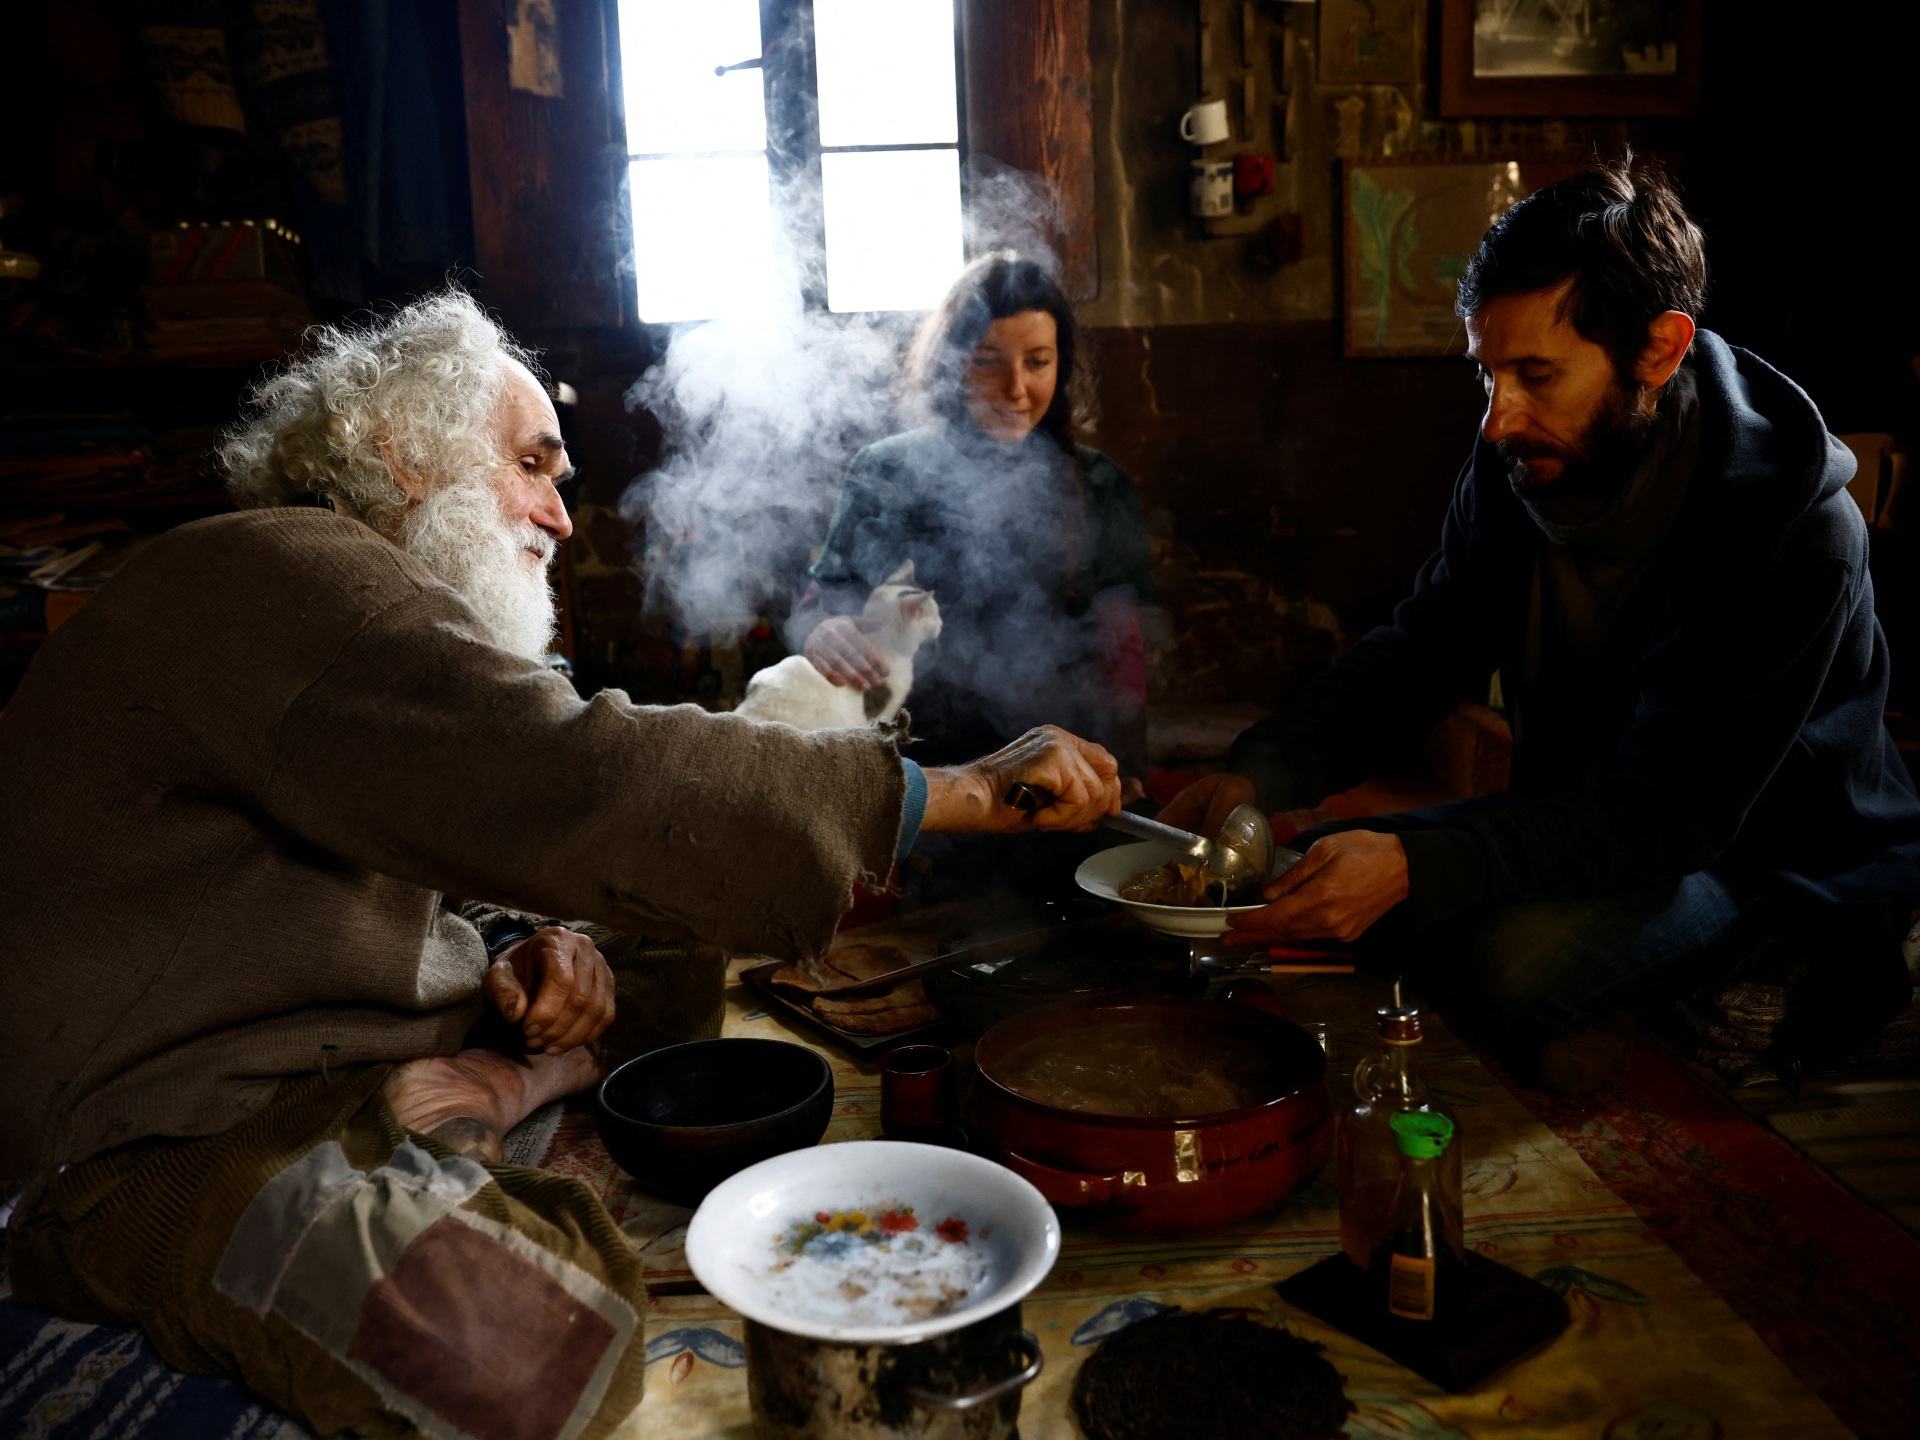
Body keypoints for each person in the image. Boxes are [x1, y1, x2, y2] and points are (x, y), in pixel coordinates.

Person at [0, 289, 1122, 1440]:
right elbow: (576, 776)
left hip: (323, 1057)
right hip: (158, 1139)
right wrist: (960, 791)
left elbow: (447, 844)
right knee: (549, 1350)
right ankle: (483, 1107)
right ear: (402, 448)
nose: (562, 516)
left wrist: (520, 948)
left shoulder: (339, 612)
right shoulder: (274, 569)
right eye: (535, 464)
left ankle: (509, 1085)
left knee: (662, 940)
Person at [1161, 161, 1920, 1091]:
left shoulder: (1794, 529)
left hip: (1761, 852)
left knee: (1519, 965)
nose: (1497, 418)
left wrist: (1419, 864)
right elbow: (1426, 645)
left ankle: (1714, 995)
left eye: (1535, 374)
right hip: (1595, 810)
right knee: (1315, 873)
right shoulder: (1524, 458)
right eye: (1488, 373)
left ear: (1661, 349)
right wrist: (1263, 767)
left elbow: (1669, 815)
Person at [793, 252, 1156, 896]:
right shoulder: (888, 473)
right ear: (950, 364)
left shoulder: (1098, 484)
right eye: (988, 360)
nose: (1015, 387)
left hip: (1071, 782)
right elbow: (824, 597)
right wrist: (821, 629)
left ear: (1061, 367)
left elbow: (1124, 641)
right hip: (935, 781)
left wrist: (1126, 763)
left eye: (1037, 362)